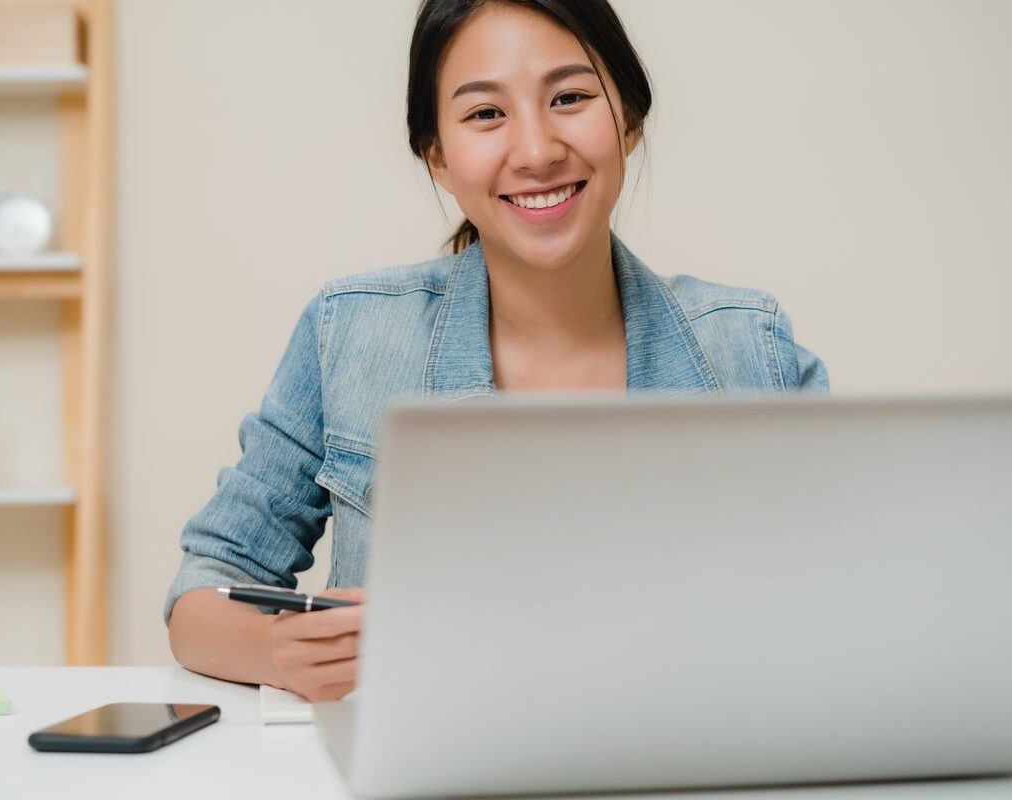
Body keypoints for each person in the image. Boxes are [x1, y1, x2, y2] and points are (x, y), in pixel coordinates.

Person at [166, 0, 828, 702]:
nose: (537, 150)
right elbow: (201, 594)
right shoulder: (350, 331)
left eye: (569, 98)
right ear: (439, 158)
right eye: (486, 114)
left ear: (628, 122)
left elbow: (847, 602)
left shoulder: (753, 351)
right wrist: (279, 651)